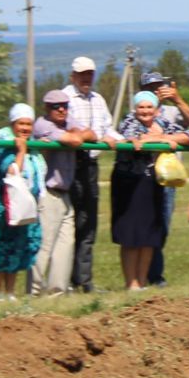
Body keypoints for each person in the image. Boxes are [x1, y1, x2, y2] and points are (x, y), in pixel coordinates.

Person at [113, 91, 189, 289]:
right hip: (129, 183)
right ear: (135, 109)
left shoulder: (162, 123)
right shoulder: (130, 121)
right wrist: (162, 141)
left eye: (149, 107)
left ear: (156, 110)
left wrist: (162, 137)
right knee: (131, 234)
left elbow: (188, 135)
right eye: (141, 107)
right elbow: (133, 139)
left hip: (152, 182)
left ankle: (143, 280)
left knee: (149, 235)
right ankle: (131, 283)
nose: (145, 111)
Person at [62, 57, 118, 293]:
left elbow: (107, 129)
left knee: (88, 223)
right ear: (73, 75)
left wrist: (120, 140)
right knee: (68, 224)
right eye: (82, 74)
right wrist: (95, 136)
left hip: (91, 165)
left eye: (90, 74)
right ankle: (63, 280)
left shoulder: (98, 100)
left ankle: (83, 280)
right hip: (69, 163)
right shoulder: (64, 97)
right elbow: (68, 128)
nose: (86, 78)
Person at [0, 104, 45, 300]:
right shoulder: (3, 142)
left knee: (18, 244)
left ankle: (10, 292)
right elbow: (10, 171)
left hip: (23, 205)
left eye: (28, 124)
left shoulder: (32, 146)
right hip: (0, 205)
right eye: (21, 124)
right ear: (12, 124)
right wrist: (20, 152)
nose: (25, 128)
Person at [30, 88, 86, 296]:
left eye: (65, 106)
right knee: (44, 245)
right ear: (47, 108)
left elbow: (91, 133)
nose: (62, 110)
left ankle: (57, 293)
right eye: (56, 107)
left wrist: (76, 133)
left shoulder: (68, 122)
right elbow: (76, 140)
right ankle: (33, 292)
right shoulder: (43, 124)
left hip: (65, 193)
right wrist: (75, 134)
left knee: (65, 244)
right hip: (48, 192)